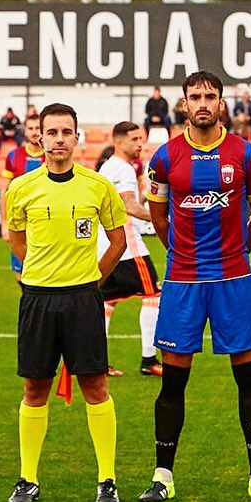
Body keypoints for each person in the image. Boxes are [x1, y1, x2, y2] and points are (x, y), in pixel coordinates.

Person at [139, 71, 251, 502]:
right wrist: (182, 255)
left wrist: (238, 252)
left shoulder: (244, 153)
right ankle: (163, 475)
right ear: (184, 103)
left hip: (234, 279)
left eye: (211, 96)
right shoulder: (165, 157)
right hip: (183, 282)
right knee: (173, 382)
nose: (203, 103)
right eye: (196, 96)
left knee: (249, 378)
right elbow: (159, 218)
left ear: (222, 103)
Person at [5, 102, 128, 502]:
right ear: (39, 137)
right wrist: (39, 272)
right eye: (52, 132)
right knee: (34, 386)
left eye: (66, 132)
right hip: (38, 299)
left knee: (95, 385)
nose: (59, 139)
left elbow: (118, 241)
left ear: (78, 137)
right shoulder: (22, 188)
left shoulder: (97, 186)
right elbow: (17, 241)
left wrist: (94, 279)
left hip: (83, 299)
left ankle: (107, 479)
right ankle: (27, 479)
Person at [96, 122, 164, 378]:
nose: (140, 144)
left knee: (106, 301)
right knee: (154, 297)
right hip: (127, 246)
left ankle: (99, 362)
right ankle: (149, 359)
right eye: (135, 139)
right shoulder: (122, 169)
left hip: (105, 246)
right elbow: (129, 206)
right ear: (119, 141)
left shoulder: (108, 167)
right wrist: (161, 219)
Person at [0, 114, 45, 282]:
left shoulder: (51, 156)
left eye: (38, 129)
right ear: (25, 131)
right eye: (31, 128)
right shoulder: (13, 156)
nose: (34, 132)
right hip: (20, 224)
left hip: (44, 223)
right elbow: (5, 191)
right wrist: (4, 223)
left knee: (45, 273)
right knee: (21, 275)